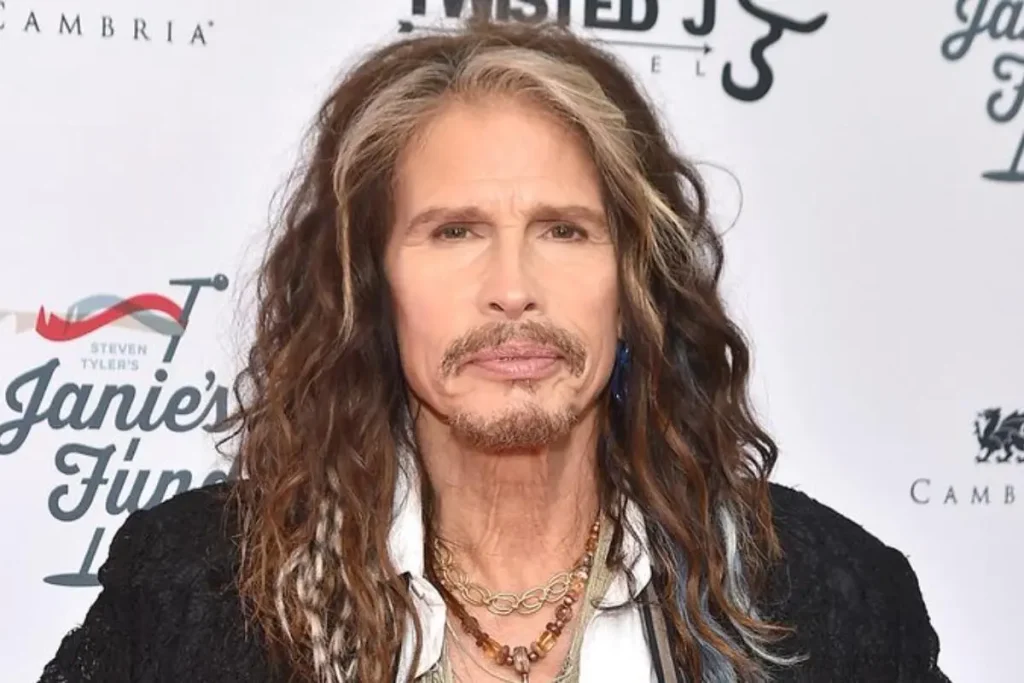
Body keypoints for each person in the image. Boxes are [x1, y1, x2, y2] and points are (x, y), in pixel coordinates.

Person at [38, 18, 950, 683]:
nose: (512, 287)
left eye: (563, 231)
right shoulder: (194, 589)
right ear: (370, 283)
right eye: (454, 232)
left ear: (634, 284)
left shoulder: (833, 598)